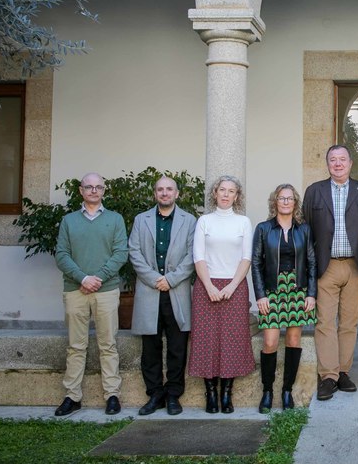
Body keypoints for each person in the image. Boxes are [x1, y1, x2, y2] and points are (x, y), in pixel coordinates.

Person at [53, 172, 128, 417]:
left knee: (108, 344)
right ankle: (72, 396)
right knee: (76, 346)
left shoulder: (115, 220)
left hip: (106, 291)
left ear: (104, 190)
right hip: (75, 290)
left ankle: (112, 395)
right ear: (81, 191)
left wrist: (97, 279)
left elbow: (120, 253)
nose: (93, 191)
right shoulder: (69, 221)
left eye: (98, 187)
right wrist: (83, 278)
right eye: (89, 187)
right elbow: (62, 254)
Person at [303, 144, 358, 401]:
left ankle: (344, 372)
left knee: (349, 323)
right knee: (324, 322)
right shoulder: (314, 191)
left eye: (342, 159)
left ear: (350, 163)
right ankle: (328, 376)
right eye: (333, 159)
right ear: (327, 164)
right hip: (326, 265)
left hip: (355, 266)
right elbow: (307, 231)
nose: (338, 163)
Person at [128, 176, 196, 416]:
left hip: (177, 291)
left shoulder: (190, 221)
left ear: (177, 194)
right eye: (160, 189)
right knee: (150, 347)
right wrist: (155, 279)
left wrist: (171, 279)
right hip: (150, 290)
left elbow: (192, 255)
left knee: (177, 347)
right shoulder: (141, 220)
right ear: (155, 194)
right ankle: (155, 394)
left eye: (169, 189)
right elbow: (134, 252)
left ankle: (173, 395)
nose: (165, 193)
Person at [187, 175, 254, 413]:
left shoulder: (243, 222)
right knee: (206, 340)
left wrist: (231, 286)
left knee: (232, 340)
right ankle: (211, 393)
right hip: (207, 286)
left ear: (237, 196)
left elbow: (246, 258)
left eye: (231, 191)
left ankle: (227, 393)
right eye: (222, 190)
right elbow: (199, 256)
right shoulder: (204, 221)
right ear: (215, 193)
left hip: (234, 286)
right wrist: (209, 286)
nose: (226, 194)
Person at [251, 184, 317, 413]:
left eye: (290, 198)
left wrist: (311, 294)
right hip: (272, 290)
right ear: (275, 201)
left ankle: (286, 390)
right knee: (269, 342)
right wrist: (260, 295)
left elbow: (311, 263)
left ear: (295, 202)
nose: (286, 202)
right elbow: (257, 264)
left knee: (293, 341)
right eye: (282, 198)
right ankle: (267, 391)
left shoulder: (304, 230)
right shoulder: (263, 229)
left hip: (297, 290)